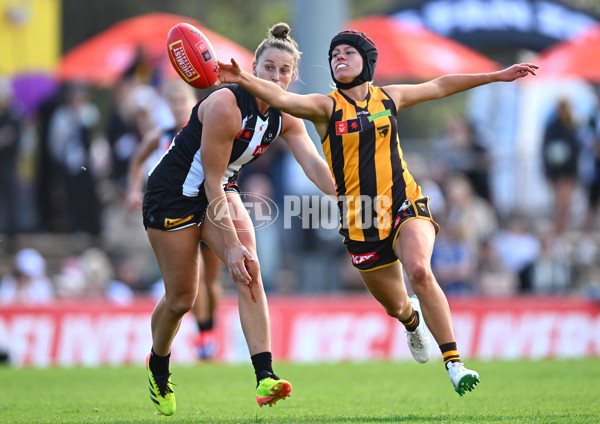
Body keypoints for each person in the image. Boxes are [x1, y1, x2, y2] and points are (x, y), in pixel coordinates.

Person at [217, 29, 538, 396]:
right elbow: (280, 96)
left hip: (404, 204)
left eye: (348, 52)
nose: (339, 57)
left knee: (418, 269)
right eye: (334, 52)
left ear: (366, 61)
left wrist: (496, 75)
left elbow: (441, 85)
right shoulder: (325, 108)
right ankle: (411, 320)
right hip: (361, 220)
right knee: (397, 305)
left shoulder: (390, 97)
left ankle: (454, 363)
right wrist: (243, 76)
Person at [142, 23, 337, 416]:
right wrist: (229, 245)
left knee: (250, 268)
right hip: (173, 197)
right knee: (182, 299)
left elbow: (314, 163)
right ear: (254, 67)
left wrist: (347, 191)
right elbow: (211, 182)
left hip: (219, 190)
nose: (276, 77)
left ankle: (264, 376)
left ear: (293, 75)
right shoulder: (226, 105)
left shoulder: (286, 112)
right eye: (269, 68)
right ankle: (157, 365)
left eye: (284, 71)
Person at [126, 80, 222, 360]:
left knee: (212, 280)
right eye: (175, 102)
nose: (180, 107)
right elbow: (137, 160)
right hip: (179, 211)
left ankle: (209, 327)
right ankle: (203, 334)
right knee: (198, 274)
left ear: (194, 103)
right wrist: (134, 190)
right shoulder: (161, 135)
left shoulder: (205, 131)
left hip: (209, 207)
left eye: (184, 101)